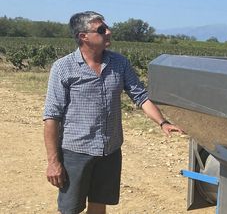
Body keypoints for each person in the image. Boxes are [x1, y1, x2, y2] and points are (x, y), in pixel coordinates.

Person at [43, 11, 184, 214]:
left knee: (99, 205)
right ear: (83, 36)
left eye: (106, 27)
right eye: (101, 29)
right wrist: (53, 162)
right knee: (70, 209)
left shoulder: (120, 63)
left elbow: (140, 96)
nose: (108, 31)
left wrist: (162, 122)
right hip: (76, 151)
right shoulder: (63, 68)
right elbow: (51, 117)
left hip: (109, 150)